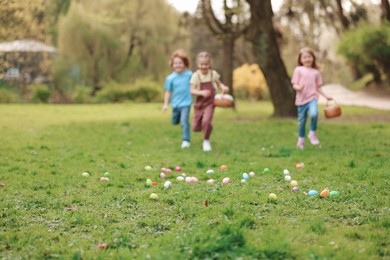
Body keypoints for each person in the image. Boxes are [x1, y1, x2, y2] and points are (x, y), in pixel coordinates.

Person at [291, 47, 333, 149]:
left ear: (313, 58)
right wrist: (299, 87)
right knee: (301, 121)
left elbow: (318, 87)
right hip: (301, 100)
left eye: (309, 57)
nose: (307, 59)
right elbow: (294, 84)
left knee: (314, 114)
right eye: (304, 57)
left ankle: (312, 133)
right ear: (300, 59)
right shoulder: (298, 70)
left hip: (312, 98)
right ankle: (301, 140)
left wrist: (326, 96)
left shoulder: (316, 72)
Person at [190, 51, 229, 152]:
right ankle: (207, 127)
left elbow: (219, 84)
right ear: (198, 64)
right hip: (199, 104)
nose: (204, 66)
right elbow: (192, 90)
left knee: (206, 121)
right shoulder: (195, 76)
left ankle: (206, 140)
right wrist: (201, 92)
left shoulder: (213, 74)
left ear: (210, 64)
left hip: (210, 103)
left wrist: (223, 88)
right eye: (201, 64)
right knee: (195, 127)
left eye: (206, 64)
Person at [162, 50, 193, 149]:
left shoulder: (189, 75)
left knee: (184, 121)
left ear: (184, 64)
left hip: (186, 103)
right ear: (172, 65)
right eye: (176, 63)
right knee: (175, 121)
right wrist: (165, 104)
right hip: (175, 104)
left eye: (180, 63)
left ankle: (186, 141)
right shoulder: (170, 78)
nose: (178, 65)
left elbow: (196, 85)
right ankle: (177, 119)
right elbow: (168, 92)